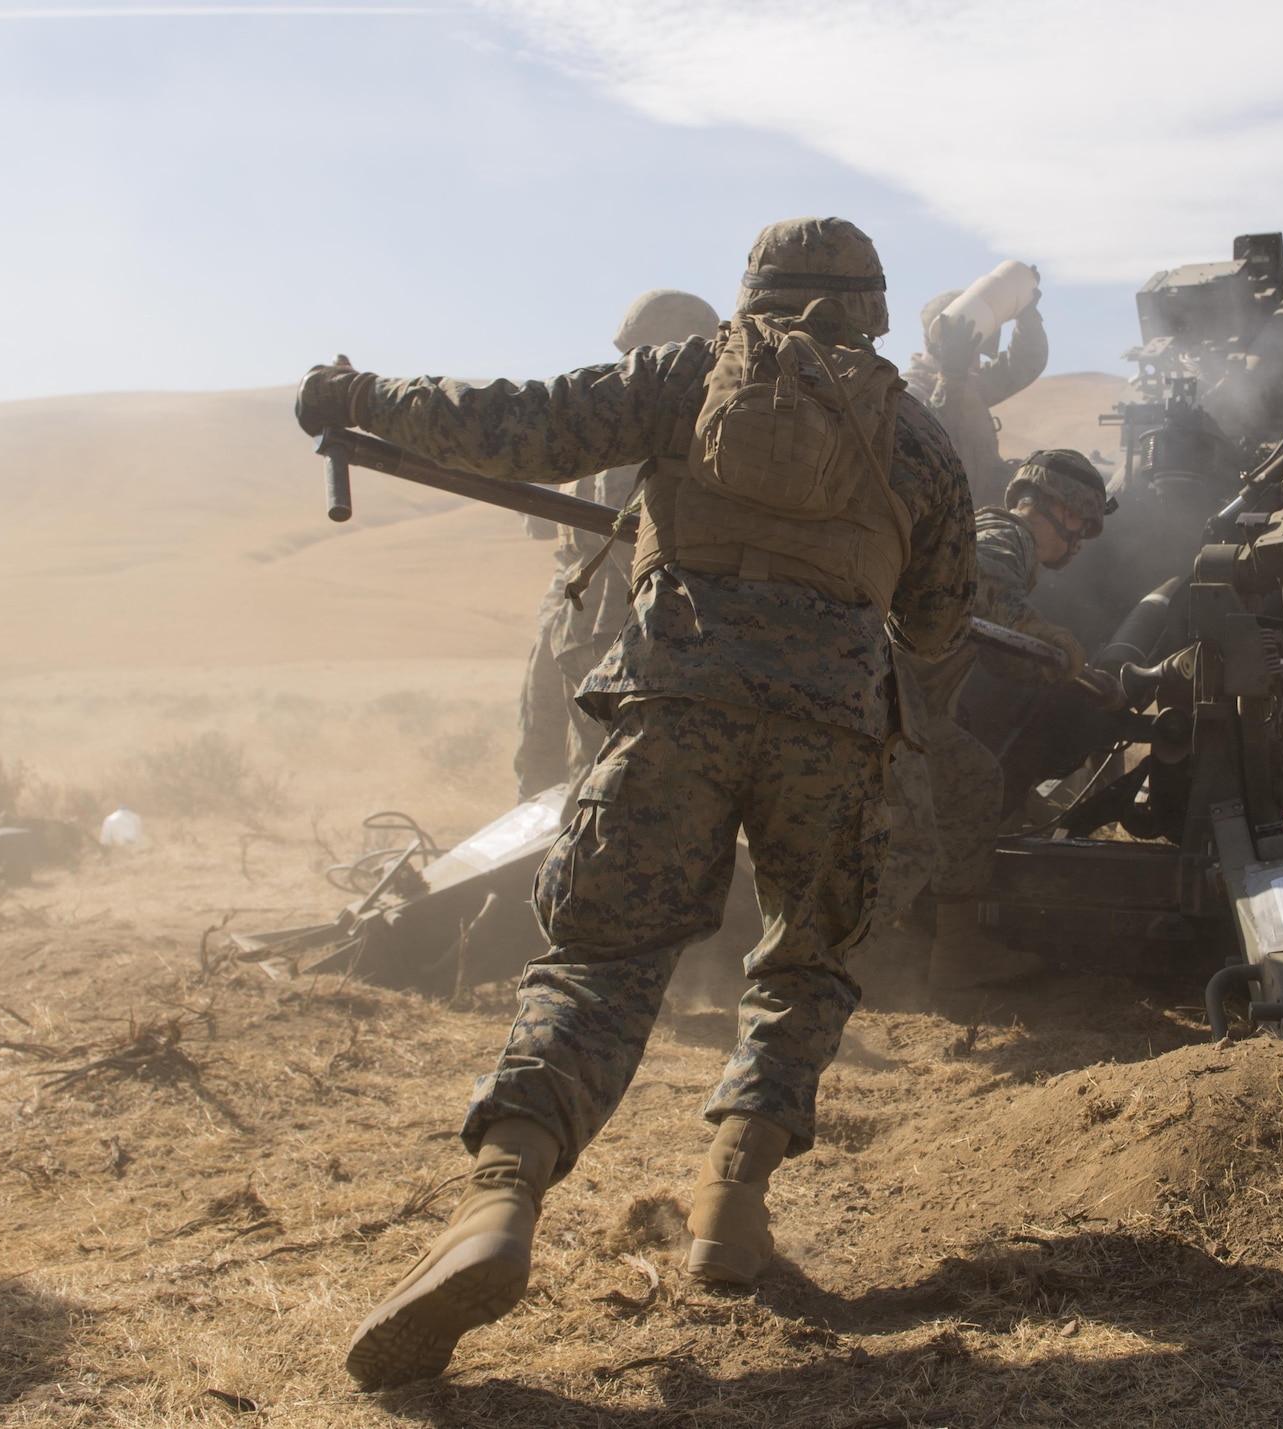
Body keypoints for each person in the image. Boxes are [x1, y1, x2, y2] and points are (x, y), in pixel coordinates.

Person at [294, 216, 977, 1387]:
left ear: (751, 295)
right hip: (829, 737)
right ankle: (731, 1207)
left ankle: (498, 1209)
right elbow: (937, 625)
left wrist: (359, 396)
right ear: (869, 306)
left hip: (673, 708)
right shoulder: (917, 442)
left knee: (601, 959)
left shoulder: (684, 379)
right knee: (804, 964)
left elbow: (507, 424)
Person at [888, 449, 1107, 990]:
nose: (1078, 544)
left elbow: (992, 643)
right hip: (891, 700)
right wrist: (1049, 637)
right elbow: (985, 590)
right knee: (971, 782)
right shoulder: (1004, 533)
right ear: (1062, 511)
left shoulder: (986, 531)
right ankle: (954, 953)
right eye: (1082, 526)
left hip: (895, 696)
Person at [513, 288, 720, 799]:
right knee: (570, 775)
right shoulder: (668, 426)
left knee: (581, 775)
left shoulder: (612, 420)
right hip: (598, 624)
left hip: (595, 625)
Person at [903, 283, 1048, 508]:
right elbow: (933, 436)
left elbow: (1023, 364)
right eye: (971, 351)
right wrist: (952, 374)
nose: (978, 362)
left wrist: (1028, 320)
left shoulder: (970, 383)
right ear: (941, 346)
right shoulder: (909, 391)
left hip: (980, 521)